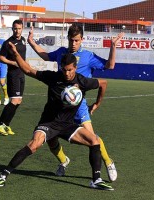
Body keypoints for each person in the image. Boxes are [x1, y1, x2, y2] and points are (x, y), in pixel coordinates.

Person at [0, 43, 113, 191]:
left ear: (75, 68)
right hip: (49, 122)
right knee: (34, 144)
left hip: (68, 125)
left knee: (94, 140)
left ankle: (96, 180)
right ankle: (3, 174)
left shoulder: (82, 81)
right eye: (64, 69)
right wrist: (16, 53)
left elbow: (103, 83)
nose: (67, 73)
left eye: (70, 70)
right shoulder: (53, 77)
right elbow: (28, 70)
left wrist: (97, 103)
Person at [28, 24, 124, 181]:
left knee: (92, 138)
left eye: (77, 40)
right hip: (58, 105)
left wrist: (113, 46)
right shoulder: (61, 53)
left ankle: (108, 161)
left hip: (79, 105)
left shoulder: (88, 56)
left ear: (82, 40)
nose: (74, 43)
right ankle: (63, 161)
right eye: (71, 40)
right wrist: (32, 42)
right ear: (67, 39)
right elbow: (45, 56)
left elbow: (110, 65)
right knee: (51, 139)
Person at [0, 19, 26, 136]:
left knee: (18, 101)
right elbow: (0, 58)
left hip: (22, 73)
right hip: (13, 75)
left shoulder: (23, 40)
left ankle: (6, 124)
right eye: (15, 28)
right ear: (12, 29)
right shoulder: (8, 43)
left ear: (22, 29)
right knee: (14, 100)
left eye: (19, 28)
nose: (17, 31)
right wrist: (13, 63)